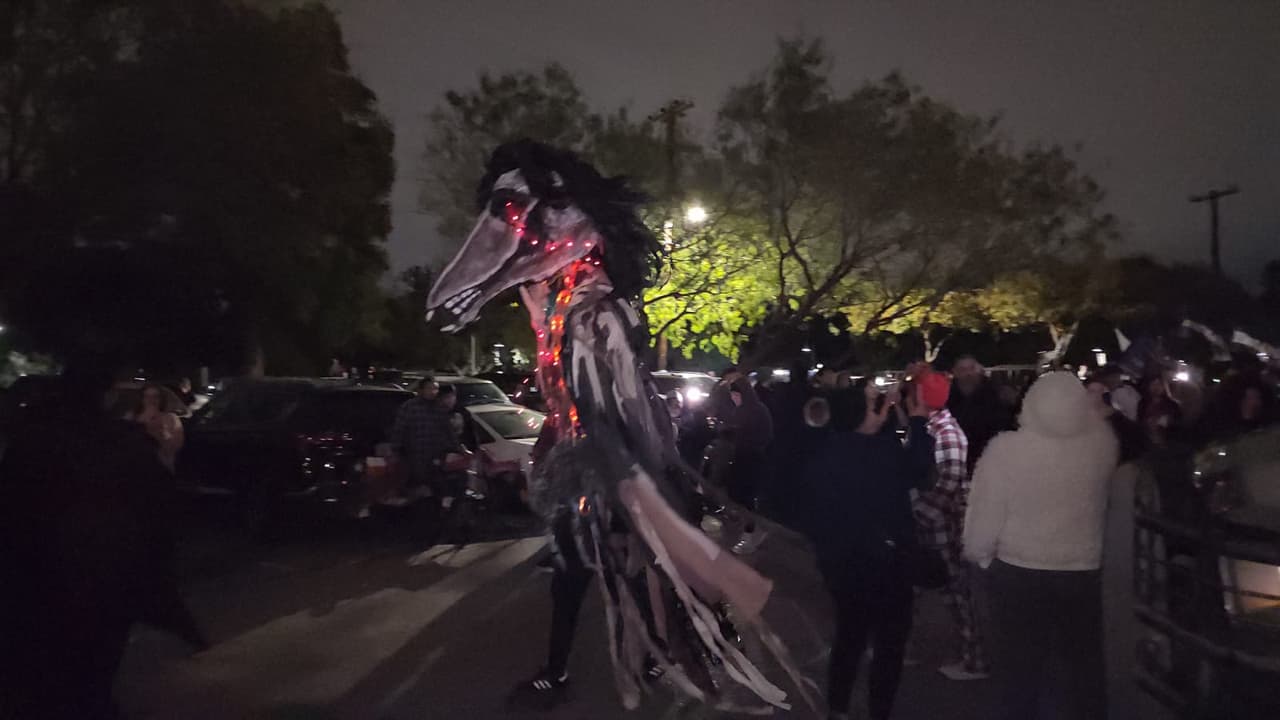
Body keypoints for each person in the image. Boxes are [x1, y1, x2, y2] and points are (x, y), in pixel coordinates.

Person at [1, 363, 207, 719]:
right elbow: (156, 510)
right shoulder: (121, 441)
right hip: (99, 575)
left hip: (44, 573)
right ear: (108, 393)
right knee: (89, 670)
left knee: (46, 668)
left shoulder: (33, 439)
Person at [964, 372, 1120, 720]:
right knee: (1081, 668)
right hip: (1082, 571)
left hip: (1019, 571)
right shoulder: (1100, 445)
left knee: (1020, 671)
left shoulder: (1006, 449)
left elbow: (984, 516)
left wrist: (980, 556)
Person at [803, 381, 935, 720]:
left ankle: (838, 707)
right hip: (887, 566)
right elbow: (922, 472)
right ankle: (878, 711)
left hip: (843, 566)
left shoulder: (826, 451)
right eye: (872, 401)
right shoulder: (881, 453)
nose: (879, 404)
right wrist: (918, 421)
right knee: (889, 646)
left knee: (850, 636)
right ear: (861, 413)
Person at [914, 369, 989, 680]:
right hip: (935, 522)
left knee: (957, 595)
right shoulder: (936, 428)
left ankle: (975, 660)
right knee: (923, 590)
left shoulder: (946, 434)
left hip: (942, 526)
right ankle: (908, 647)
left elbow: (947, 486)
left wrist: (914, 510)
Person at [389, 376, 456, 501]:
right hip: (415, 455)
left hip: (435, 456)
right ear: (420, 390)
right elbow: (399, 430)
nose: (433, 392)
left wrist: (456, 447)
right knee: (417, 487)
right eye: (429, 388)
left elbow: (448, 431)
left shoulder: (439, 408)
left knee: (436, 487)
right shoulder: (410, 407)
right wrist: (395, 450)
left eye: (435, 389)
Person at [946, 355, 1004, 468]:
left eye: (972, 368)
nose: (968, 374)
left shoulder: (994, 395)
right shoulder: (946, 398)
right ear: (955, 372)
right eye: (962, 370)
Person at [127, 382, 185, 472]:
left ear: (161, 399)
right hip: (135, 468)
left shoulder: (171, 418)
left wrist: (162, 431)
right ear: (142, 399)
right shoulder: (131, 417)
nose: (151, 400)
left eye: (155, 396)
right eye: (147, 396)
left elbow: (175, 448)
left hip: (161, 468)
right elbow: (126, 444)